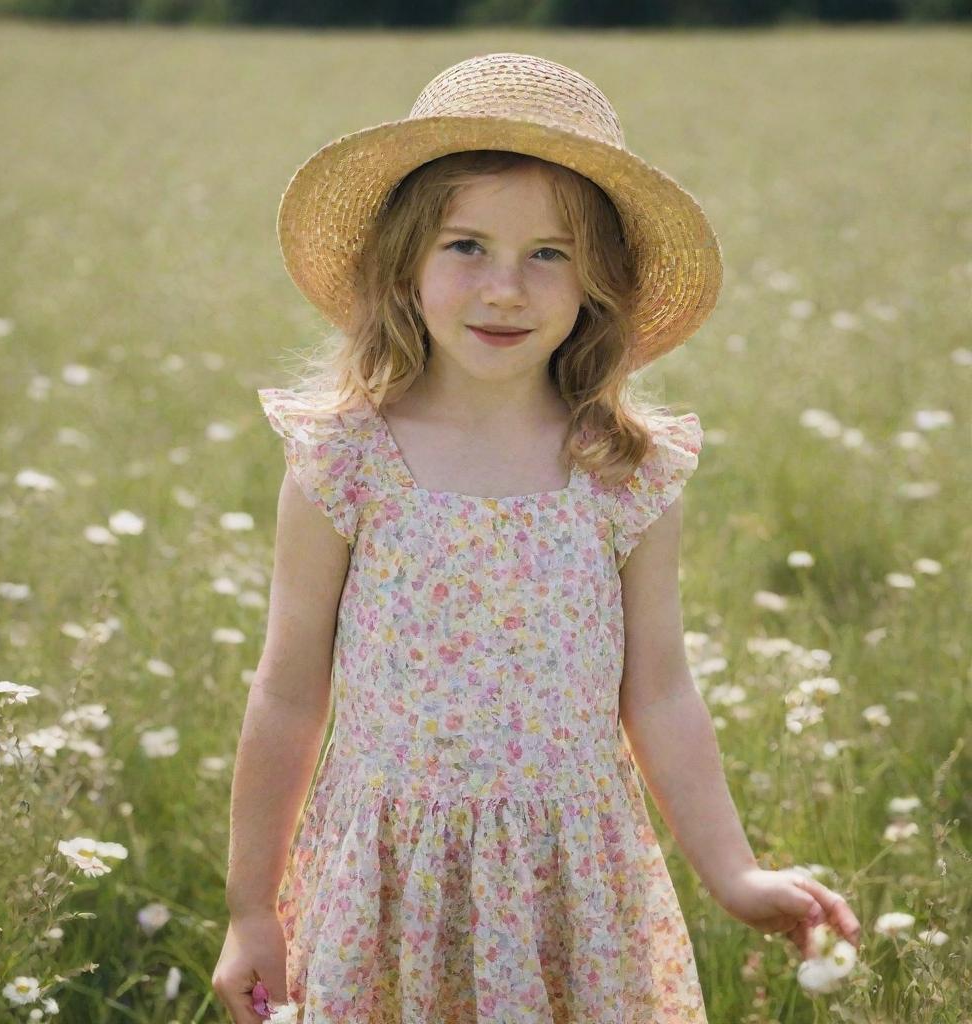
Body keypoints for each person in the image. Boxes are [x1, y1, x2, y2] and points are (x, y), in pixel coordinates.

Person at [212, 52, 861, 1024]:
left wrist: (731, 870)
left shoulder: (622, 469)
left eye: (549, 254)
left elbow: (662, 687)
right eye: (465, 245)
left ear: (600, 281)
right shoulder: (346, 460)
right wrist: (249, 906)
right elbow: (288, 687)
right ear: (402, 262)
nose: (505, 288)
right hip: (393, 876)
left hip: (572, 881)